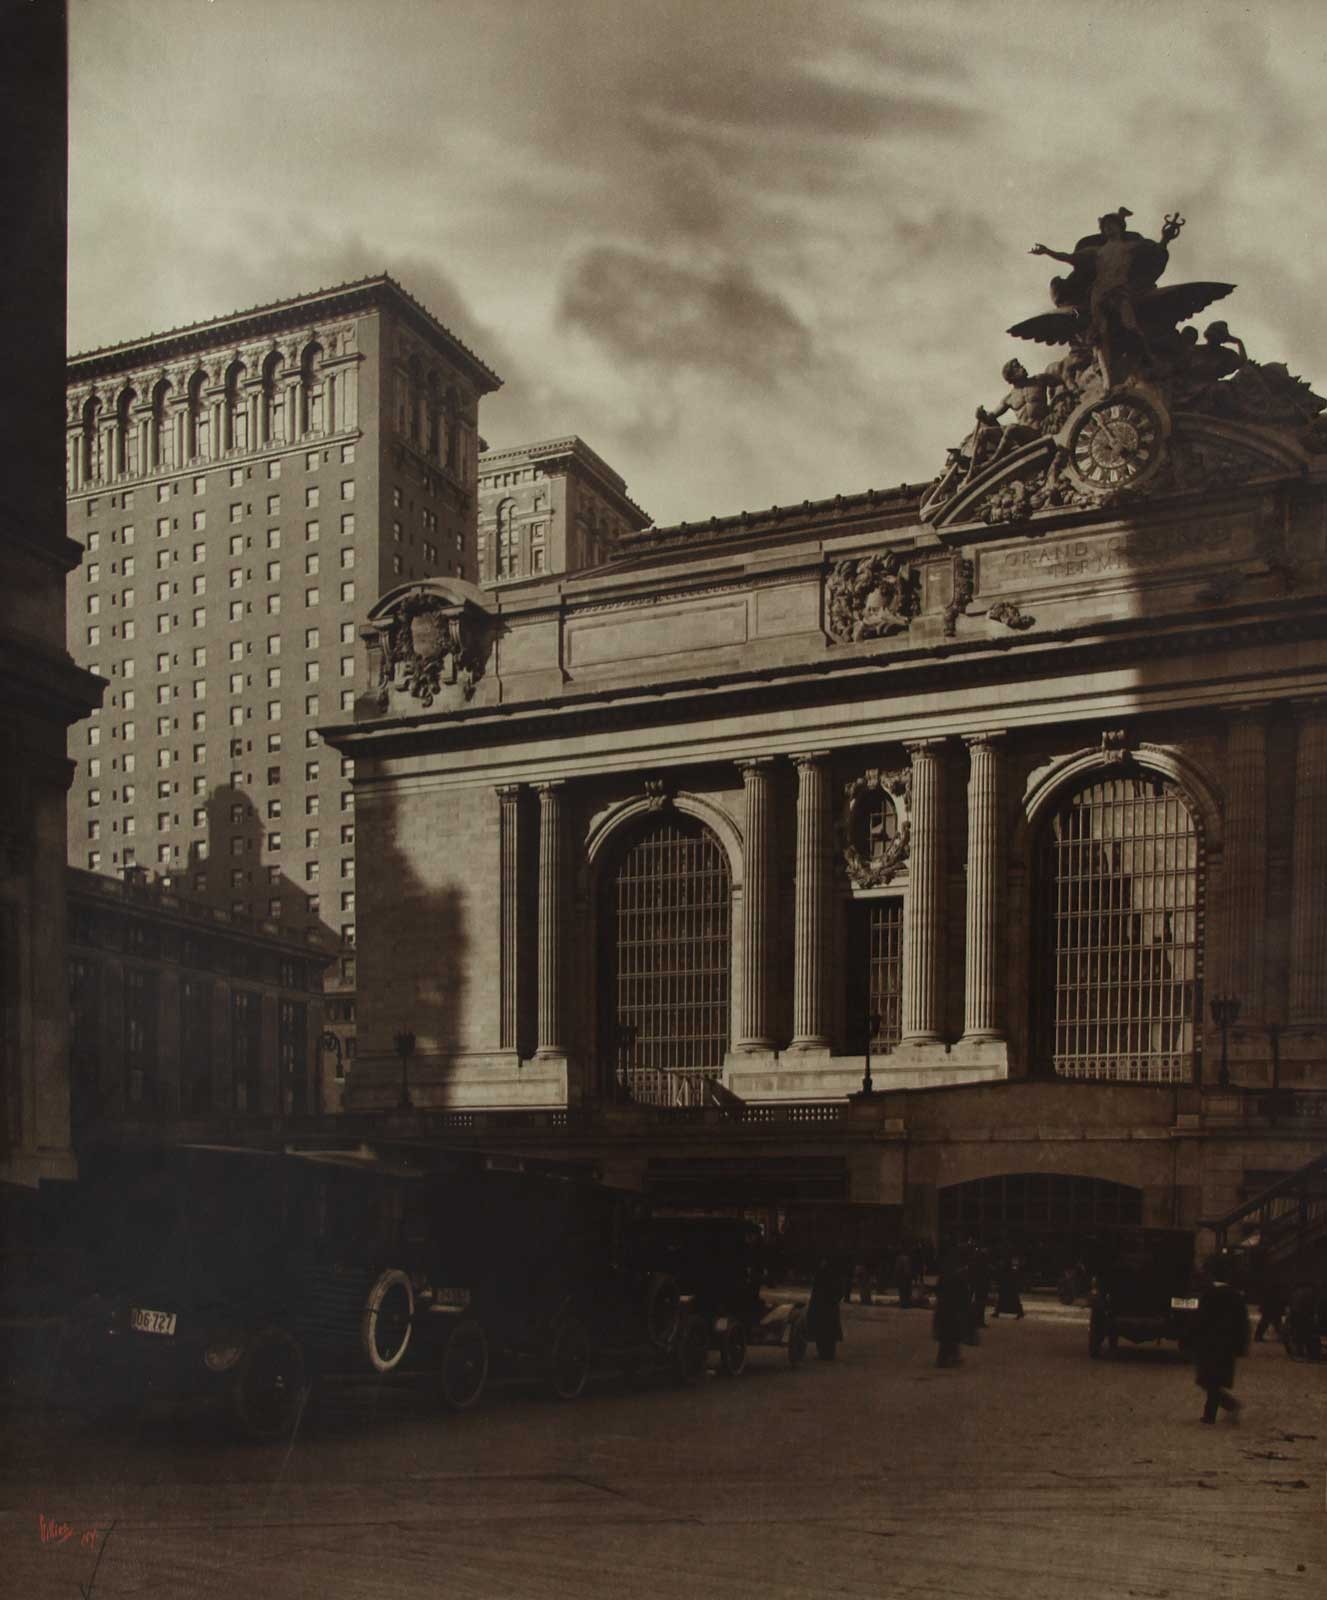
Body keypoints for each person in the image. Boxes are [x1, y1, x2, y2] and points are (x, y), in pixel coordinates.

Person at [1191, 1260, 1250, 1424]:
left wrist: (1194, 1339)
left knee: (1207, 1379)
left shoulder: (1210, 1294)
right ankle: (1216, 1412)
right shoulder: (1234, 1295)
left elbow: (1201, 1320)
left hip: (1210, 1343)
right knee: (1213, 1380)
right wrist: (1241, 1344)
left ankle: (1220, 1411)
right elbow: (1242, 1322)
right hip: (1227, 1344)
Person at [933, 1252, 969, 1369]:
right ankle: (944, 1359)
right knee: (950, 1334)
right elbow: (963, 1294)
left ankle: (950, 1356)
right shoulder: (958, 1277)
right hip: (952, 1310)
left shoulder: (945, 1276)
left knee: (948, 1335)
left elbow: (938, 1290)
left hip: (944, 1308)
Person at [807, 1256, 844, 1361]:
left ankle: (825, 1354)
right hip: (827, 1303)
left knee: (823, 1330)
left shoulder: (825, 1271)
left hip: (824, 1303)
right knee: (827, 1330)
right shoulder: (831, 1271)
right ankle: (827, 1354)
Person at [992, 1254, 1025, 1320]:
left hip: (1008, 1283)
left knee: (1009, 1298)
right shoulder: (1008, 1265)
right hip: (1008, 1283)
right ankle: (1019, 1312)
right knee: (1010, 1299)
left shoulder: (1007, 1265)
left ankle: (1020, 1312)